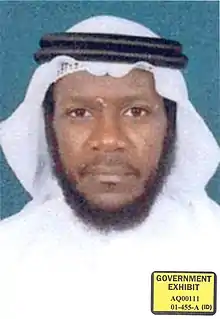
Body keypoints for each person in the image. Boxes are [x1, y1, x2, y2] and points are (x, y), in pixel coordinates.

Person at [0, 15, 219, 319]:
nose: (108, 139)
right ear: (49, 127)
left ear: (171, 126)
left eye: (136, 112)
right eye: (79, 112)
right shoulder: (6, 258)